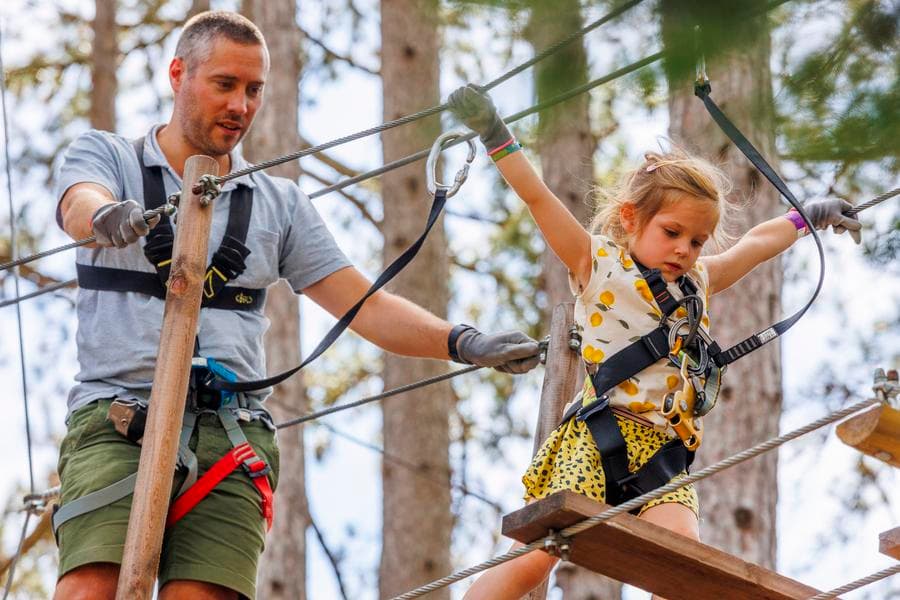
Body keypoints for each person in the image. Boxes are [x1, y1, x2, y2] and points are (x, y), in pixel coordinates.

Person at [52, 13, 540, 600]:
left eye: (254, 90)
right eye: (225, 84)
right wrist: (108, 217)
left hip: (228, 437)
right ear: (179, 74)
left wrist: (463, 342)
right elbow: (81, 202)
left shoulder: (278, 205)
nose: (241, 105)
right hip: (120, 419)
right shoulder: (111, 158)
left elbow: (367, 306)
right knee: (89, 590)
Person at [447, 84, 861, 599]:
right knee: (539, 553)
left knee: (685, 561)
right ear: (630, 219)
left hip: (663, 454)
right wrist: (493, 132)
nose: (684, 250)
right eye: (671, 233)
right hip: (598, 438)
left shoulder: (697, 284)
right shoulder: (597, 264)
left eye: (696, 241)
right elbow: (538, 198)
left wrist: (811, 217)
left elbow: (753, 247)